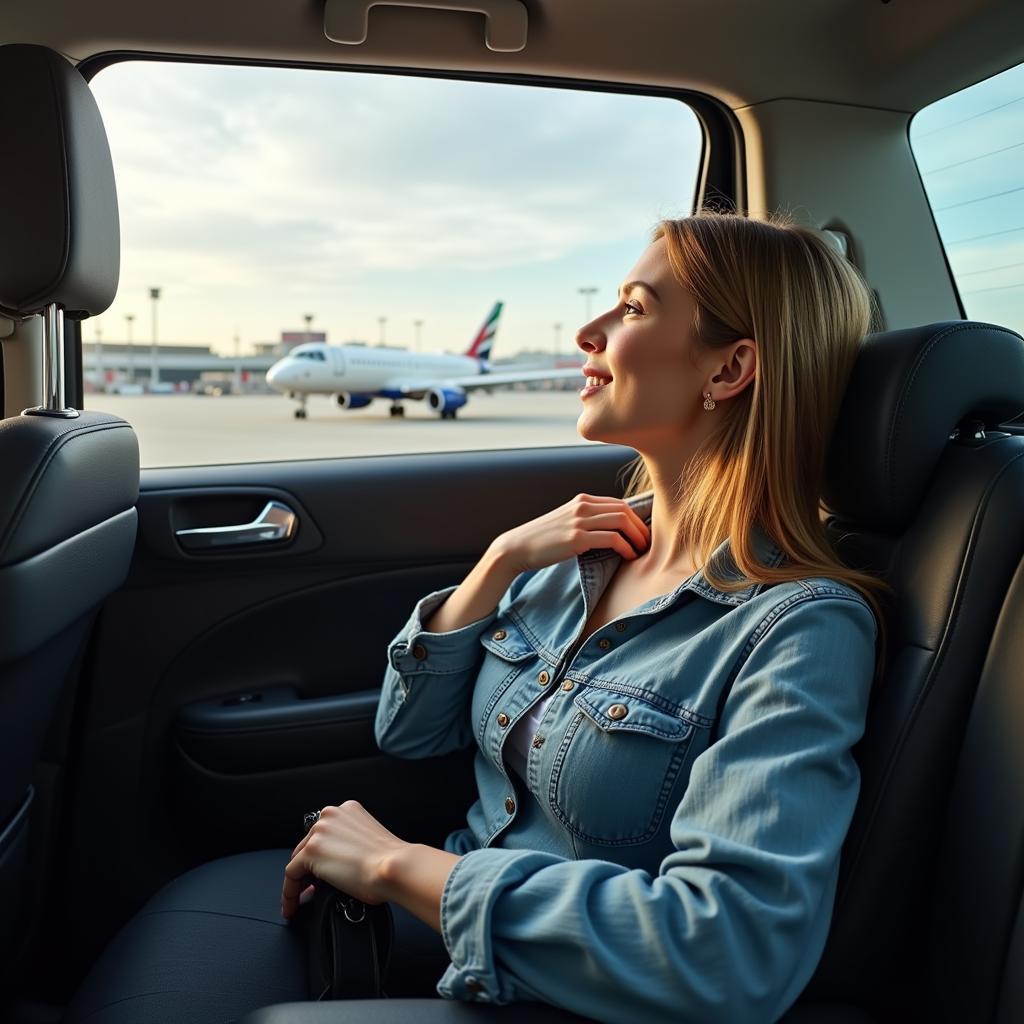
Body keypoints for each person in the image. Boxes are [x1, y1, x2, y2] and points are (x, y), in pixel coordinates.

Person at [279, 211, 892, 1023]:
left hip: (560, 990)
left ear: (730, 368)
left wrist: (398, 867)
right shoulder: (580, 549)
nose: (586, 332)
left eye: (634, 309)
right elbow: (409, 733)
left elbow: (728, 957)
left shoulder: (798, 627)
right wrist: (497, 564)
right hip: (454, 926)